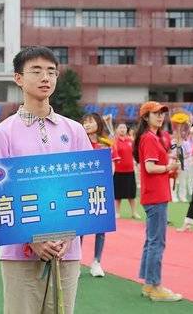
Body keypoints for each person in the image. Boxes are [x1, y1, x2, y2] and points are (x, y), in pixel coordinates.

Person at [0, 46, 92, 313]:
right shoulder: (3, 133)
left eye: (51, 72)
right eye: (36, 71)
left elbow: (88, 186)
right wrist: (31, 239)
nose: (46, 77)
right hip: (19, 253)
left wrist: (68, 236)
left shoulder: (74, 130)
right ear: (18, 78)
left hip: (66, 250)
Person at [134, 101, 182, 302]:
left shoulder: (151, 137)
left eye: (162, 113)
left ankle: (148, 284)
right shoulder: (150, 138)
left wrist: (170, 163)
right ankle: (155, 285)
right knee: (157, 242)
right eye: (156, 114)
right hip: (156, 195)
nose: (160, 117)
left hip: (154, 194)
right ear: (146, 117)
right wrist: (169, 167)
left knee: (152, 240)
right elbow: (151, 168)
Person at [81, 112, 119, 278]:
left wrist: (106, 180)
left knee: (101, 227)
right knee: (80, 227)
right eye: (85, 122)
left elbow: (112, 166)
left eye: (90, 121)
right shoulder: (80, 142)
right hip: (82, 189)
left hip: (102, 189)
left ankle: (96, 262)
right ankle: (75, 261)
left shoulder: (106, 144)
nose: (87, 125)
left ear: (98, 123)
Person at [113, 122, 140, 219]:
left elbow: (135, 153)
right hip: (119, 171)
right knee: (118, 195)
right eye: (120, 127)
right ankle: (117, 212)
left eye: (124, 128)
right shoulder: (114, 142)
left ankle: (134, 212)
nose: (122, 129)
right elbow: (112, 155)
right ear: (117, 130)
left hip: (130, 171)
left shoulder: (130, 141)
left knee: (131, 195)